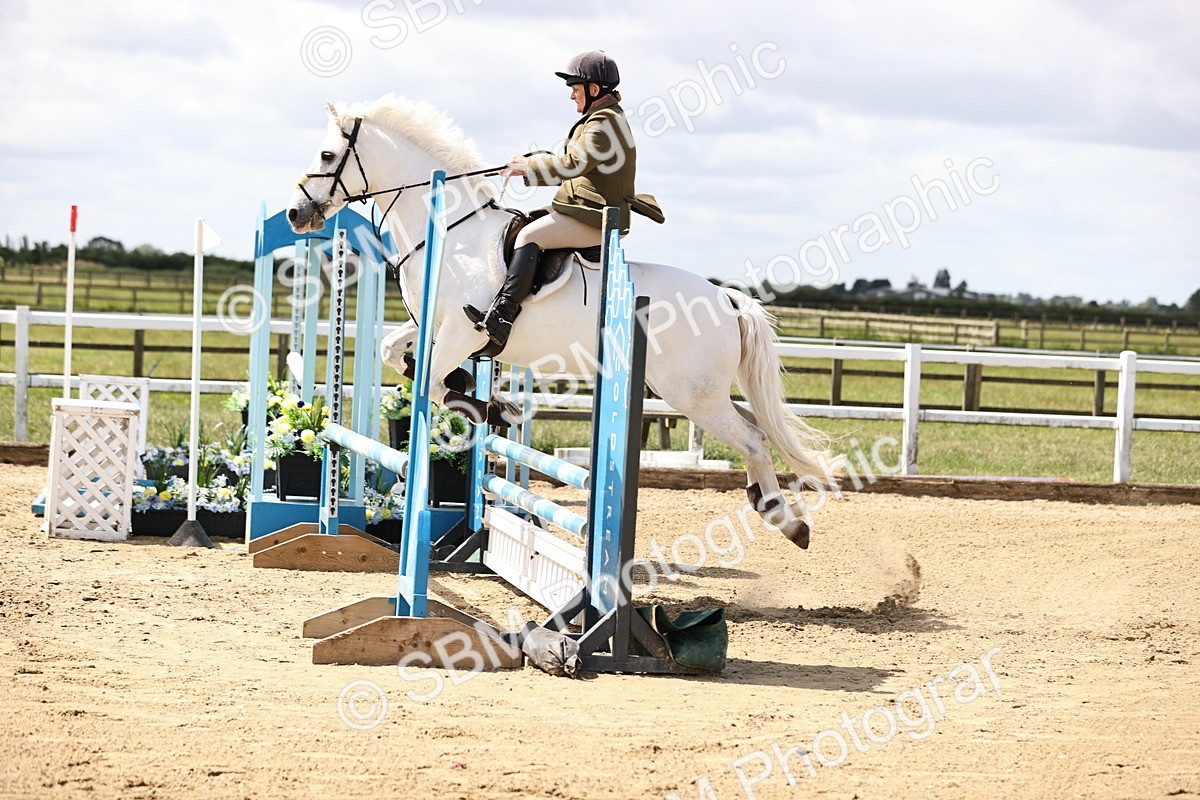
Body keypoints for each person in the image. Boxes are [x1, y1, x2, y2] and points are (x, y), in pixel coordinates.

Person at [464, 50, 662, 350]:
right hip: (581, 210)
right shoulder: (599, 118)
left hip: (597, 219)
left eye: (575, 87)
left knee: (529, 236)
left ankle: (502, 318)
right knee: (518, 224)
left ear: (594, 90)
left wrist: (528, 168)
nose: (571, 95)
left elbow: (574, 165)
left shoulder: (604, 123)